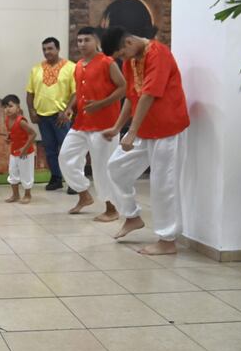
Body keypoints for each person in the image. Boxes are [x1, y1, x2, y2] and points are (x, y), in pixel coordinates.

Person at [100, 26, 190, 255]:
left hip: (168, 128)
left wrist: (132, 132)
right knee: (117, 167)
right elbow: (132, 96)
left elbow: (149, 94)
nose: (122, 59)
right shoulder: (131, 61)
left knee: (163, 183)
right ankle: (132, 217)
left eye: (121, 54)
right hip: (145, 130)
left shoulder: (158, 53)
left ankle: (167, 241)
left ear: (128, 42)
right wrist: (118, 127)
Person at [58, 27, 126, 221]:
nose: (82, 44)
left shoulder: (107, 62)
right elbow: (79, 93)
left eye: (86, 40)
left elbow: (123, 87)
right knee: (66, 158)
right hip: (81, 123)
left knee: (102, 167)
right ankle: (84, 195)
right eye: (79, 40)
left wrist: (101, 104)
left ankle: (111, 209)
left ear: (96, 41)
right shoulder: (78, 65)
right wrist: (70, 108)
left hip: (105, 125)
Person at [26, 37, 76, 191]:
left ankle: (73, 182)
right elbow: (30, 93)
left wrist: (66, 110)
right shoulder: (36, 69)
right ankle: (56, 178)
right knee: (49, 149)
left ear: (58, 49)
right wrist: (32, 112)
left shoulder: (71, 67)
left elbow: (76, 93)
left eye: (50, 49)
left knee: (67, 149)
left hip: (61, 117)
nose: (47, 52)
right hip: (42, 116)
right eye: (44, 49)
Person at [2, 94, 36, 204]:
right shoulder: (7, 120)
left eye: (10, 106)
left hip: (25, 152)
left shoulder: (21, 121)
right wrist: (8, 137)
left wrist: (25, 149)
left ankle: (27, 194)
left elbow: (33, 134)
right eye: (5, 107)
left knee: (26, 173)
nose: (7, 109)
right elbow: (12, 132)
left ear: (18, 107)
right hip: (14, 151)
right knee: (12, 172)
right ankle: (15, 194)